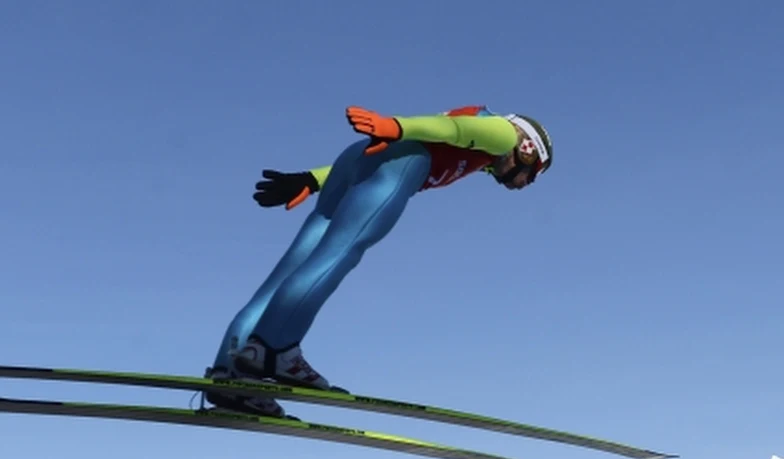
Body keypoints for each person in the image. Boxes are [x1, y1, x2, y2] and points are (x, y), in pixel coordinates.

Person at [203, 104, 553, 417]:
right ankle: (274, 350)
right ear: (527, 149)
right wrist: (397, 126)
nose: (526, 183)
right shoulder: (503, 133)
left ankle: (228, 371)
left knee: (291, 269)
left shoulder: (478, 157)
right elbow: (457, 130)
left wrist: (312, 179)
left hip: (359, 161)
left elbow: (428, 138)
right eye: (533, 173)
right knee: (341, 253)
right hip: (400, 161)